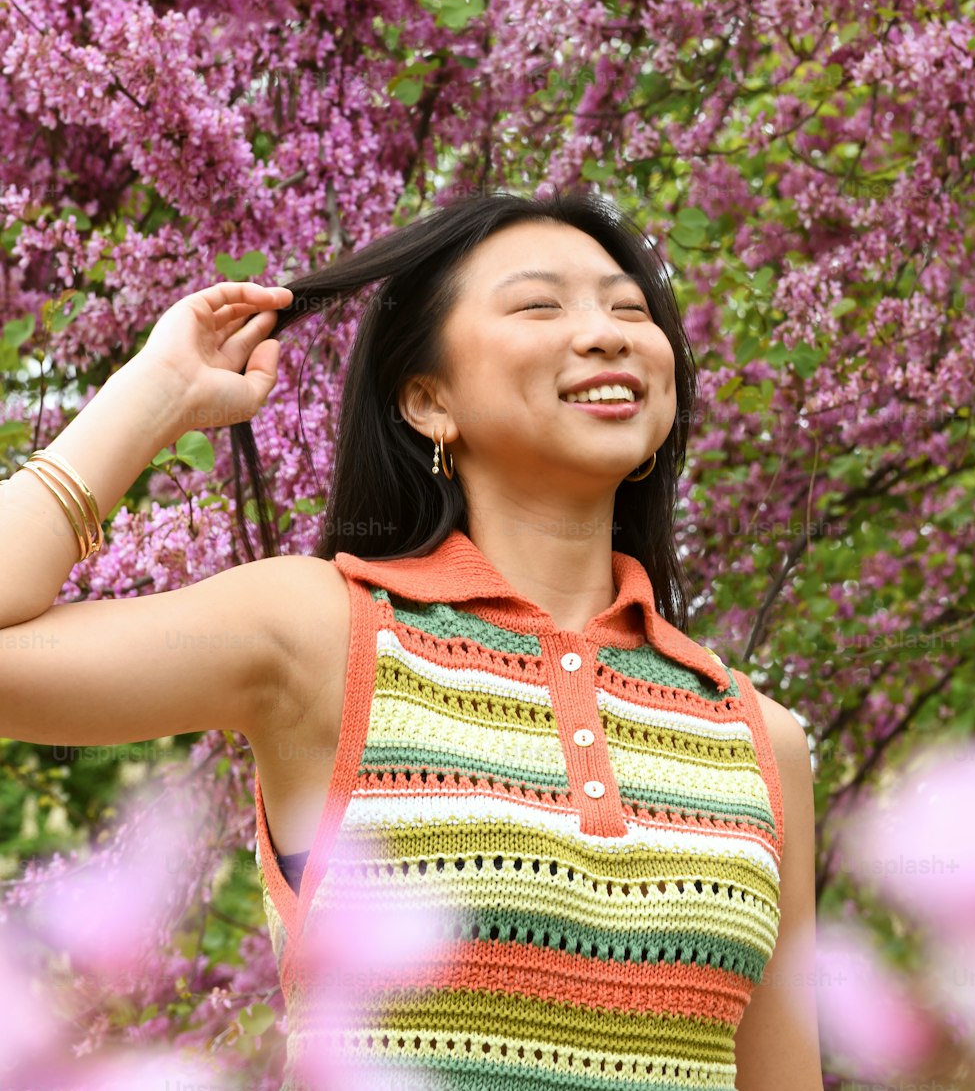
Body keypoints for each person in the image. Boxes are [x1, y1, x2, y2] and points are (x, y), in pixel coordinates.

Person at [0, 188, 823, 1090]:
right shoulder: (325, 633)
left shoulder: (757, 738)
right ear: (430, 401)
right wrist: (153, 397)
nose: (607, 332)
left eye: (631, 307)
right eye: (540, 304)